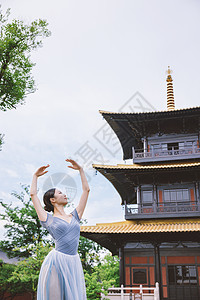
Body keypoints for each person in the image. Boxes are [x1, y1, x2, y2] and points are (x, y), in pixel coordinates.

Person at [30, 159, 90, 300]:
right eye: (60, 192)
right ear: (53, 200)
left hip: (73, 262)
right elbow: (33, 195)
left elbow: (86, 190)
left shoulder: (75, 215)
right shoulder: (47, 218)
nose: (64, 194)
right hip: (56, 261)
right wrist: (35, 176)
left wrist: (81, 170)